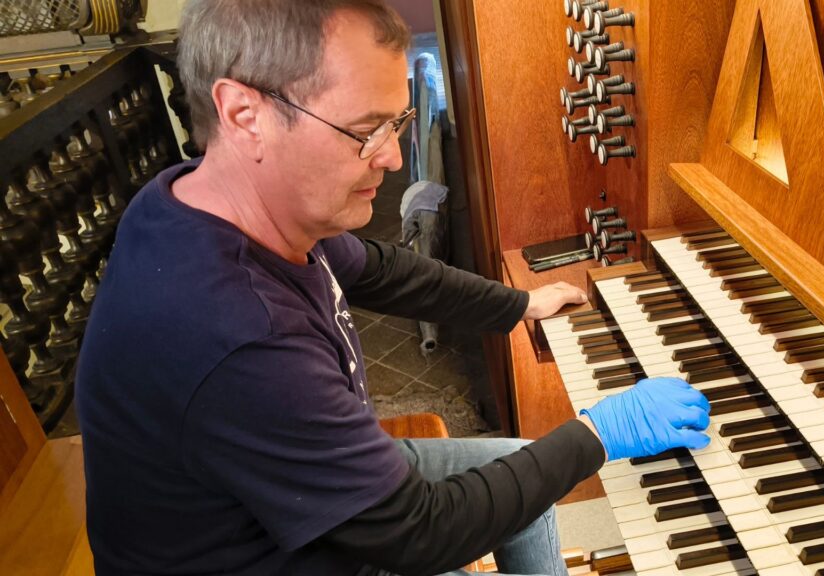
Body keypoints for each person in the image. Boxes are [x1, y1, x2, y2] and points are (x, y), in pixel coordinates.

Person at [74, 1, 712, 575]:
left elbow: (377, 268)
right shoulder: (235, 333)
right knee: (528, 478)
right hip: (270, 556)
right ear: (246, 115)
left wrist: (519, 304)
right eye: (365, 130)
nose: (392, 158)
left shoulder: (209, 198)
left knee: (523, 466)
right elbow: (418, 532)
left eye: (397, 121)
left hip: (301, 499)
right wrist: (602, 432)